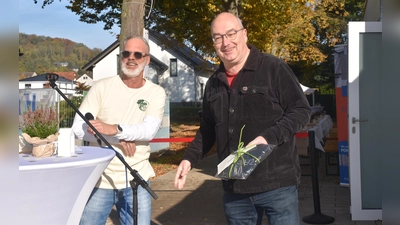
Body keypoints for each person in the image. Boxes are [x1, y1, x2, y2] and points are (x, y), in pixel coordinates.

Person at [174, 12, 311, 225]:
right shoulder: (213, 84)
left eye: (231, 34)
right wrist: (189, 158)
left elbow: (301, 110)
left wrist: (269, 137)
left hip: (277, 185)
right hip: (235, 188)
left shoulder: (273, 68)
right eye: (218, 37)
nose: (225, 42)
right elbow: (208, 129)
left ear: (244, 34)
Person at [72, 35, 166, 225]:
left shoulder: (156, 92)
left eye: (138, 54)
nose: (131, 58)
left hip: (137, 178)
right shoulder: (100, 87)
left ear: (147, 60)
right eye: (126, 53)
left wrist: (114, 129)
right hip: (101, 179)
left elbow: (148, 131)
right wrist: (118, 139)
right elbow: (79, 129)